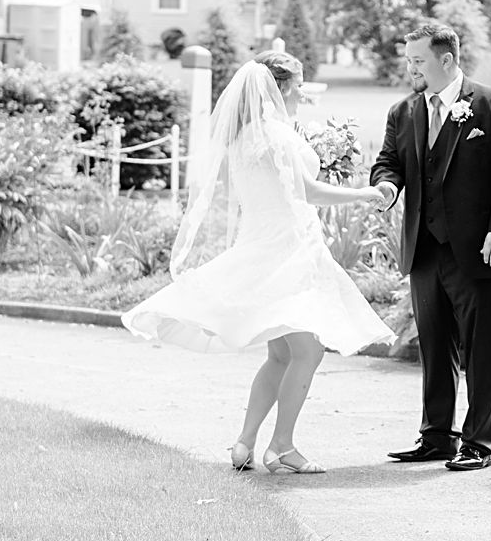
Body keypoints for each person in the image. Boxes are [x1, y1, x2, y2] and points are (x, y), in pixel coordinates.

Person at [123, 51, 393, 474]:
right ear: (279, 87)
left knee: (281, 355)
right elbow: (307, 193)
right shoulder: (278, 136)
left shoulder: (244, 137)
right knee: (308, 351)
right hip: (290, 251)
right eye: (298, 85)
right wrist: (365, 194)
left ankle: (244, 442)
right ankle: (281, 446)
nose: (303, 93)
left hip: (263, 245)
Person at [371, 23, 491, 472]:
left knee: (481, 349)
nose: (411, 68)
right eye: (408, 60)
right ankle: (437, 436)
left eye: (418, 61)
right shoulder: (403, 112)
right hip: (424, 250)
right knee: (435, 347)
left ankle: (479, 442)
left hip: (482, 249)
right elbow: (388, 162)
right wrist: (386, 186)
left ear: (446, 60)